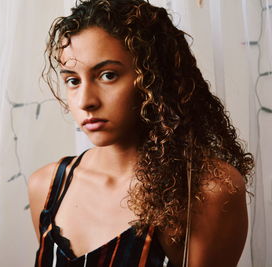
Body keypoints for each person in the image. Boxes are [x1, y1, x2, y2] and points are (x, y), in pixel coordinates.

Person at [28, 0, 254, 266]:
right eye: (73, 80)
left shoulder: (206, 191)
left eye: (108, 75)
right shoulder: (47, 186)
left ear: (154, 78)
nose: (85, 101)